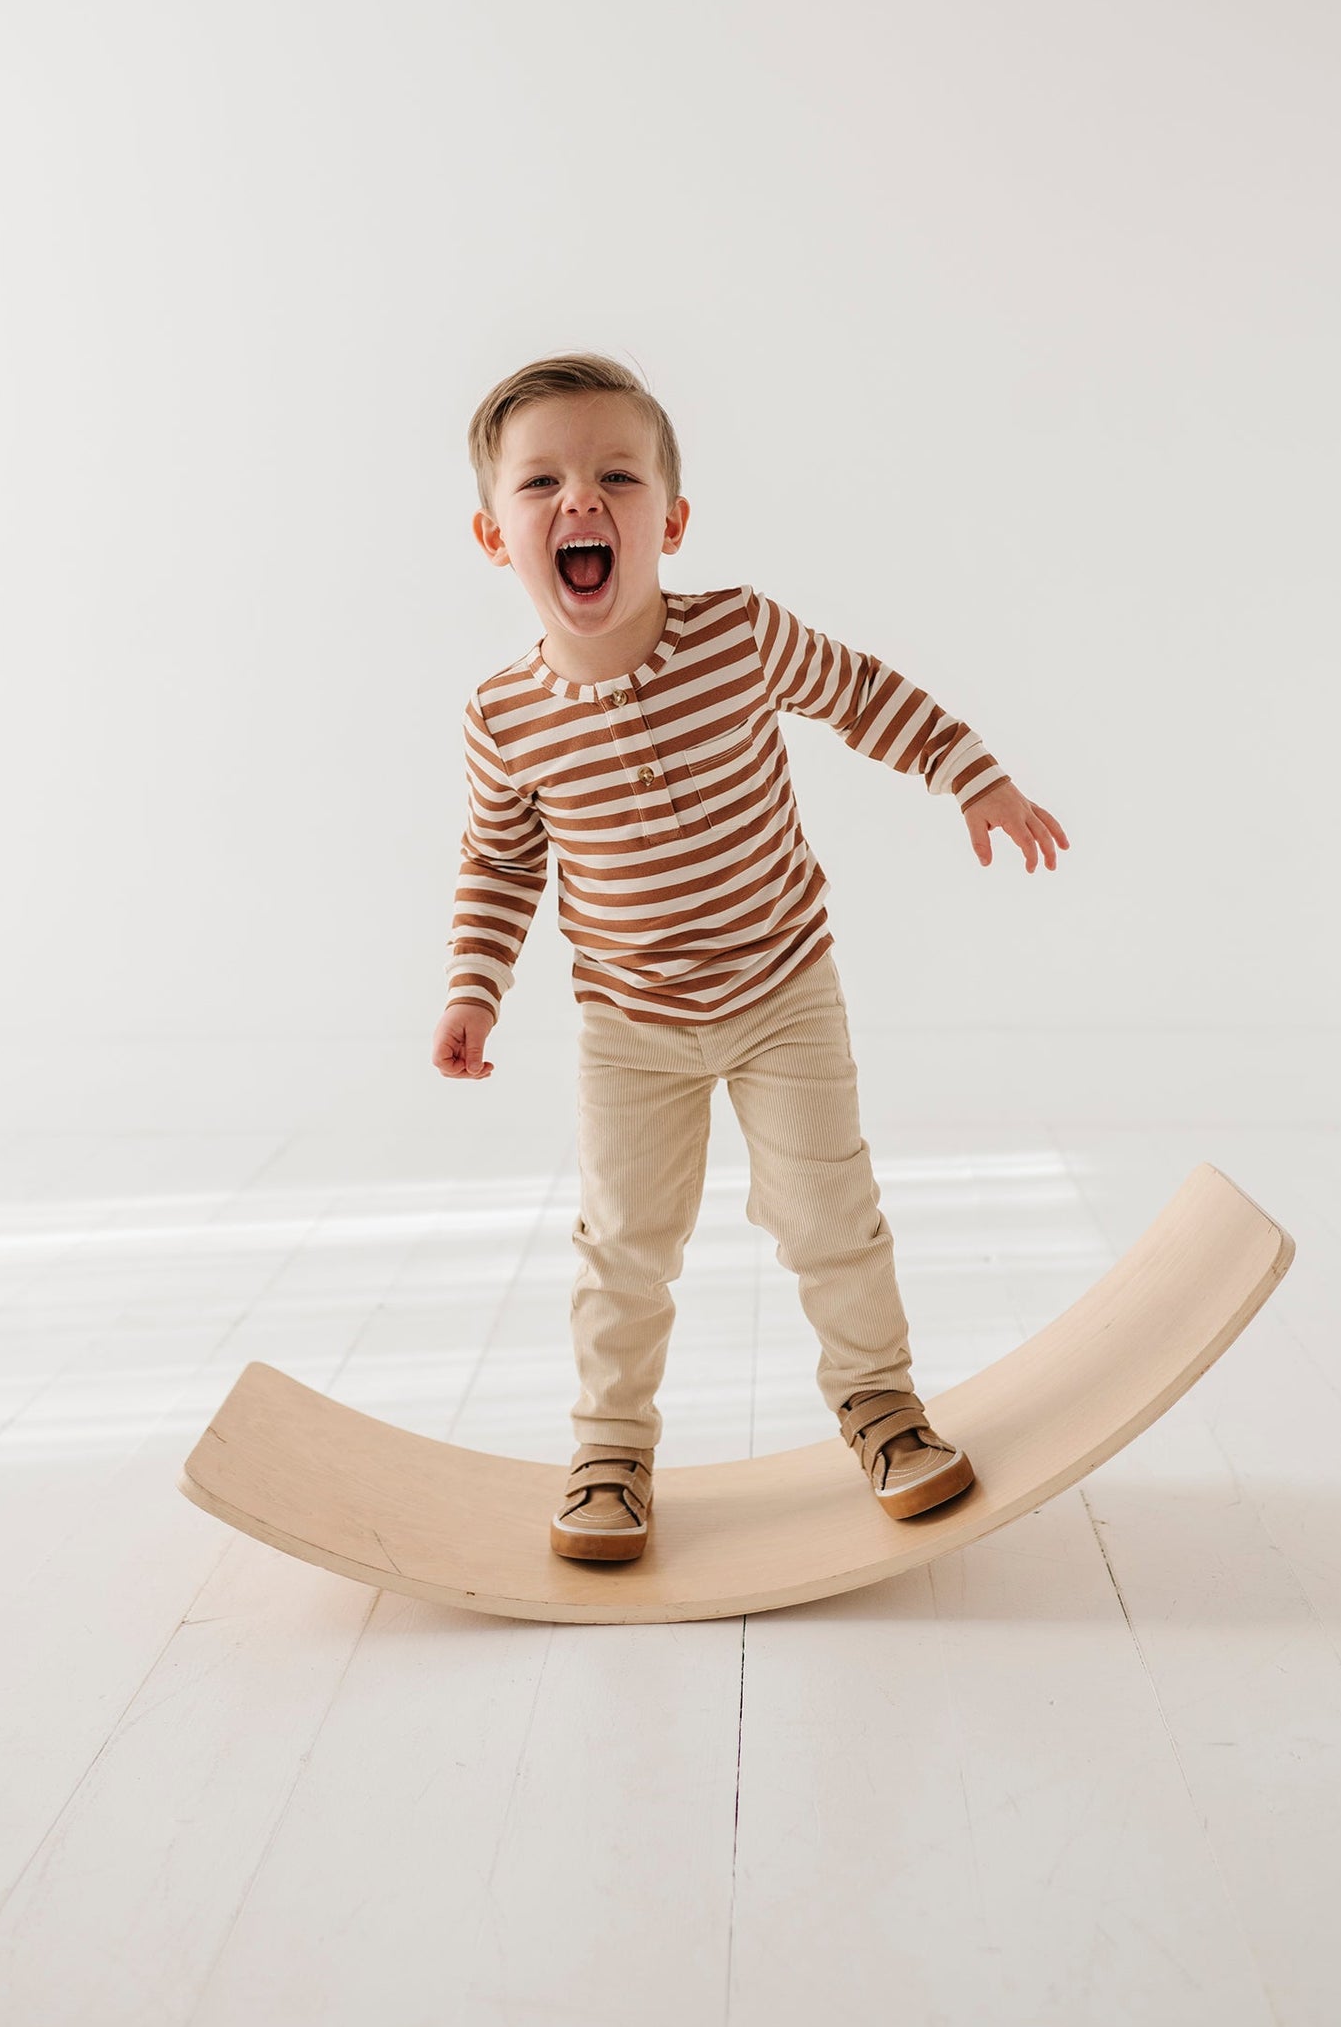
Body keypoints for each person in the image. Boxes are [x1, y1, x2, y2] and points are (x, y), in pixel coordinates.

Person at [433, 353, 1069, 1562]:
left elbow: (861, 693)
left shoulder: (737, 633)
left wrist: (969, 774)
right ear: (493, 534)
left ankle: (881, 1405)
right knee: (623, 1245)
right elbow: (502, 862)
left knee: (830, 1210)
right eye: (542, 482)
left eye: (618, 476)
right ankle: (609, 1449)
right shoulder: (504, 716)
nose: (582, 499)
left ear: (671, 521)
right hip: (630, 1024)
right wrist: (476, 988)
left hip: (784, 991)